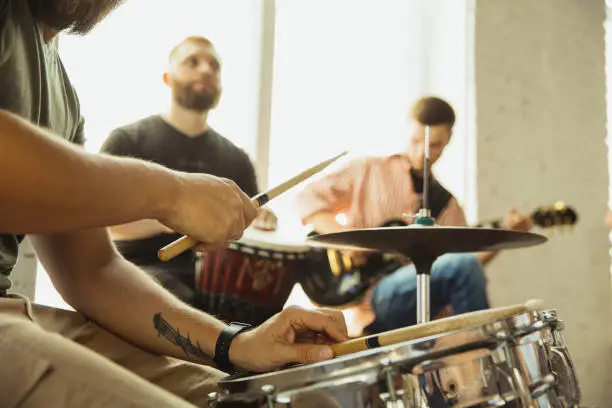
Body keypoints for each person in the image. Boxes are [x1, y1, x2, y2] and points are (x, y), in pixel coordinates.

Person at [0, 1, 348, 407]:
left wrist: (236, 344)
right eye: (192, 61)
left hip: (18, 311)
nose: (204, 70)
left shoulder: (63, 94)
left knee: (302, 402)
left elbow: (93, 271)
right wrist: (171, 195)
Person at [296, 96, 532, 334]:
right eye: (416, 140)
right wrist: (347, 239)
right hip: (372, 297)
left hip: (420, 298)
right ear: (408, 127)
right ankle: (482, 357)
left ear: (449, 138)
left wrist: (505, 237)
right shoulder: (369, 169)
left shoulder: (448, 205)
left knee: (464, 267)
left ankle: (469, 357)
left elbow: (462, 265)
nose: (422, 152)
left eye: (434, 145)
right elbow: (307, 198)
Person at [100, 36, 276, 310]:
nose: (205, 70)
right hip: (138, 276)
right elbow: (100, 221)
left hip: (216, 286)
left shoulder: (237, 160)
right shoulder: (127, 141)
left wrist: (261, 220)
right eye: (192, 62)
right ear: (167, 78)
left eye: (214, 66)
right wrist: (176, 214)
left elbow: (248, 228)